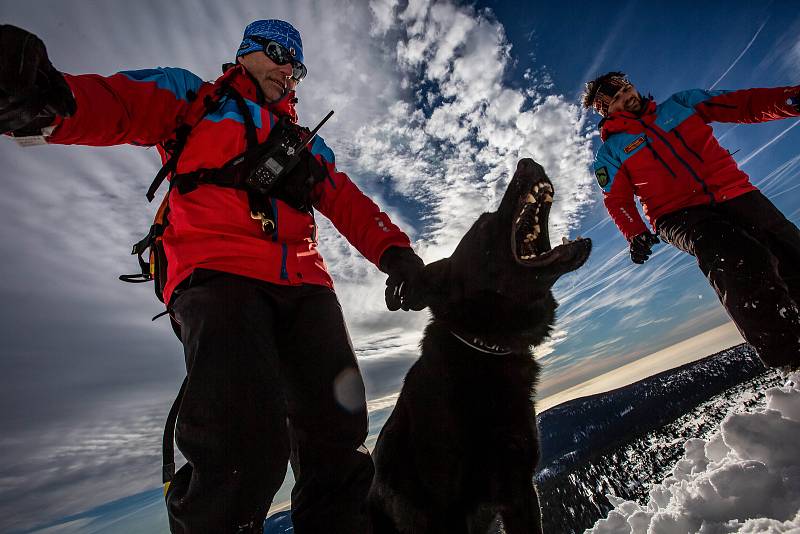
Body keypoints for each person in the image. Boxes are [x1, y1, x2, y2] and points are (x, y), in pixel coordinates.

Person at [0, 20, 427, 534]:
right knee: (242, 440)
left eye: (298, 66)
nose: (289, 72)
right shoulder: (193, 98)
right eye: (277, 55)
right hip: (218, 276)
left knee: (336, 431)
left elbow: (347, 201)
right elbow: (119, 104)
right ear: (246, 52)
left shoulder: (307, 145)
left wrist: (395, 252)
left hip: (308, 287)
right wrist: (49, 99)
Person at [582, 71, 800, 372]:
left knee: (789, 250)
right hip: (677, 214)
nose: (627, 97)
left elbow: (742, 104)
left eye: (627, 89)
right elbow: (616, 200)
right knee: (732, 252)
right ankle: (791, 359)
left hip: (735, 192)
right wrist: (635, 232)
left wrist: (789, 99)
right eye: (617, 99)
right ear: (606, 112)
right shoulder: (611, 151)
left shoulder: (681, 105)